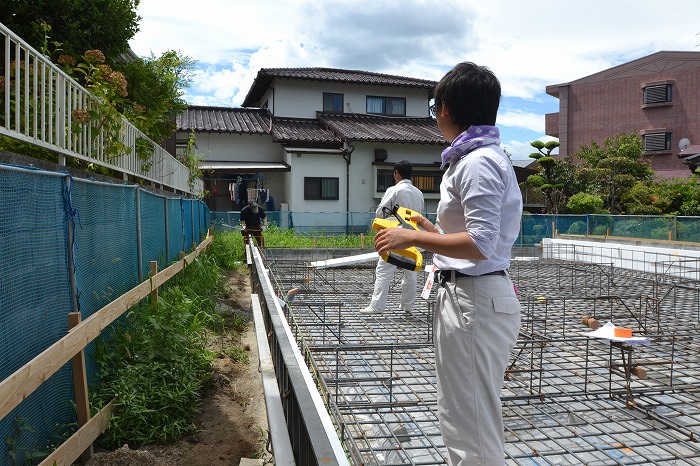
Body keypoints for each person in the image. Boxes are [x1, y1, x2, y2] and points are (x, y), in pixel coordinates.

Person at [373, 62, 522, 465]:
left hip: (474, 299)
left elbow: (482, 244)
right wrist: (428, 228)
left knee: (469, 421)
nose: (435, 114)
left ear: (447, 108)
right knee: (463, 414)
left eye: (434, 104)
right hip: (468, 296)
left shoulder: (479, 162)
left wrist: (413, 236)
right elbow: (473, 238)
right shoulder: (474, 158)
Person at [360, 160, 424, 315]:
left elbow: (380, 213)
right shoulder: (419, 193)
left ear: (397, 174)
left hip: (396, 237)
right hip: (414, 237)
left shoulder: (394, 190)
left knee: (384, 271)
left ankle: (377, 306)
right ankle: (407, 306)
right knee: (410, 273)